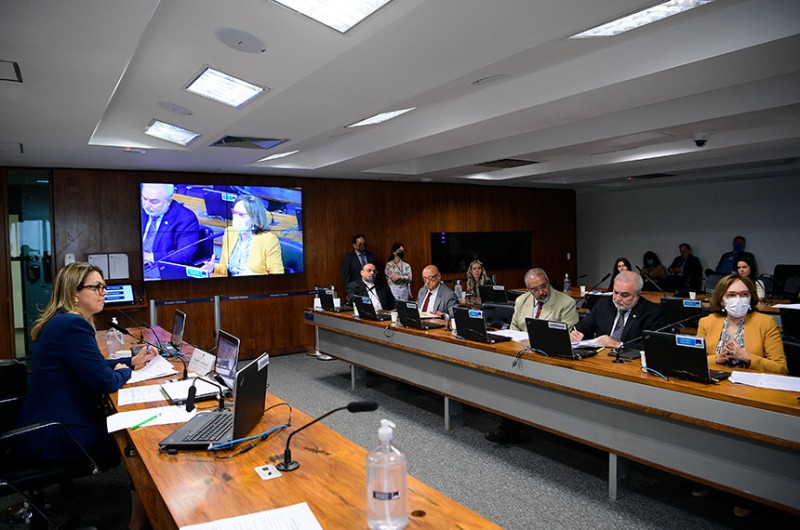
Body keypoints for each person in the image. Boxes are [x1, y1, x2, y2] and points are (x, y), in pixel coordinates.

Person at [16, 262, 157, 529]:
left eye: (104, 286)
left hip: (42, 423)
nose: (103, 292)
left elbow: (89, 367)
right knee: (136, 438)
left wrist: (129, 362)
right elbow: (105, 381)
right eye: (96, 287)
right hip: (58, 433)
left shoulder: (61, 322)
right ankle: (139, 521)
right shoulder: (73, 326)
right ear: (74, 294)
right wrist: (122, 373)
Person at [698, 274, 786, 374]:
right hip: (718, 384)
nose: (738, 299)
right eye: (731, 295)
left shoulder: (766, 323)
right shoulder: (706, 322)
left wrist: (747, 357)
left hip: (752, 385)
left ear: (751, 298)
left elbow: (781, 369)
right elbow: (695, 361)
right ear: (721, 300)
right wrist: (717, 359)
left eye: (744, 294)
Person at [571, 270, 666, 350]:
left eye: (624, 295)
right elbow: (586, 324)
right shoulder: (604, 304)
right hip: (601, 357)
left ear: (637, 295)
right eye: (615, 292)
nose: (617, 298)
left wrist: (618, 345)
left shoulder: (653, 313)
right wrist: (578, 333)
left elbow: (653, 346)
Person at [203, 195, 284, 276]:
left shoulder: (269, 240)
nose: (236, 218)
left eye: (241, 214)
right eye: (234, 212)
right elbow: (225, 268)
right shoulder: (230, 232)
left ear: (254, 219)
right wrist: (213, 268)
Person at [140, 183, 200, 271]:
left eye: (154, 201)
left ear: (169, 201)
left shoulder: (186, 218)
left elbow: (184, 254)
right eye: (144, 199)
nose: (147, 205)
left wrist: (149, 256)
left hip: (159, 269)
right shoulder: (137, 209)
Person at [510, 268, 579, 332]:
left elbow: (565, 334)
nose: (541, 292)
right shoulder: (521, 300)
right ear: (528, 290)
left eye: (543, 286)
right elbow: (513, 330)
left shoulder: (567, 303)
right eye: (535, 289)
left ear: (548, 281)